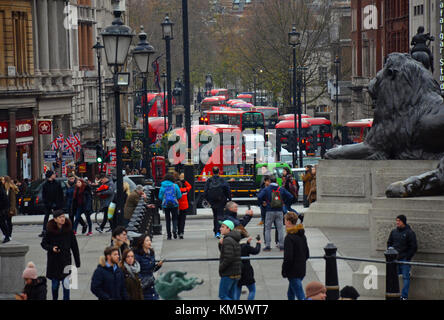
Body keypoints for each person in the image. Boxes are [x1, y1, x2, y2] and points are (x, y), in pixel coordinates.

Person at [40, 209, 81, 300]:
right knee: (55, 286)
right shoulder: (50, 231)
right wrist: (52, 248)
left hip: (66, 261)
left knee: (66, 286)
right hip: (54, 262)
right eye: (60, 217)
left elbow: (74, 247)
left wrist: (77, 262)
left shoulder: (69, 231)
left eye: (63, 216)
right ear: (55, 219)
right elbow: (43, 244)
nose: (63, 219)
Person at [257, 176, 293, 251]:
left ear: (270, 181)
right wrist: (284, 203)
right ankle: (281, 246)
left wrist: (263, 203)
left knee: (267, 229)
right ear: (276, 181)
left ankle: (268, 246)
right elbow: (290, 196)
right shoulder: (281, 189)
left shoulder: (266, 189)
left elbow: (259, 197)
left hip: (269, 210)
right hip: (279, 211)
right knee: (280, 228)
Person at [387, 215, 417, 300]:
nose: (397, 222)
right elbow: (389, 243)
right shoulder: (393, 232)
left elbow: (413, 247)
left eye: (399, 221)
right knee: (393, 277)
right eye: (396, 220)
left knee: (405, 277)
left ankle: (404, 296)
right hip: (394, 259)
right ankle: (393, 294)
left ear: (403, 222)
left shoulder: (410, 233)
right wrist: (390, 253)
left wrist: (408, 257)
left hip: (405, 260)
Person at [282, 212, 309, 300]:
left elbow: (288, 257)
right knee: (290, 293)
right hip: (301, 269)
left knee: (300, 296)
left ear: (289, 222)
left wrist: (284, 270)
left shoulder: (289, 238)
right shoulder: (302, 235)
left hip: (293, 271)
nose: (284, 222)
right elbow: (307, 253)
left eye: (285, 220)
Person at [204, 167, 231, 239]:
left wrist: (208, 200)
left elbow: (205, 191)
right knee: (220, 216)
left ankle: (216, 231)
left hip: (213, 201)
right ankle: (218, 231)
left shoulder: (209, 180)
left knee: (215, 216)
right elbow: (227, 189)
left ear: (212, 172)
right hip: (221, 200)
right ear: (218, 171)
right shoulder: (222, 180)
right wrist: (229, 198)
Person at [234, 228, 261, 300]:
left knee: (237, 290)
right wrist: (258, 242)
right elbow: (256, 251)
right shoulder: (245, 247)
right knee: (252, 290)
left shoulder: (235, 246)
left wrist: (248, 243)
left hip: (237, 270)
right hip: (247, 270)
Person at [134, 234, 164, 300]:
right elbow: (136, 270)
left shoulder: (151, 252)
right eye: (147, 240)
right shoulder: (137, 255)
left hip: (151, 281)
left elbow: (152, 269)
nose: (149, 242)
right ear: (142, 243)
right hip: (144, 282)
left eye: (150, 240)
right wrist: (142, 281)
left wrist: (158, 266)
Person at [218, 220, 242, 300]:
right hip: (236, 272)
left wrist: (221, 268)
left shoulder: (228, 240)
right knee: (232, 296)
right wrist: (220, 244)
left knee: (223, 295)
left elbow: (228, 257)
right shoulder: (234, 238)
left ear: (229, 229)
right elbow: (225, 252)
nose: (220, 229)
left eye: (223, 227)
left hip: (229, 272)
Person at [40, 170, 65, 237]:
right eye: (53, 174)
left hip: (57, 204)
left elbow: (60, 194)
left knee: (58, 217)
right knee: (46, 217)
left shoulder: (57, 183)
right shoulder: (45, 185)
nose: (55, 175)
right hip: (48, 204)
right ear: (50, 175)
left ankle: (60, 230)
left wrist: (60, 203)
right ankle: (44, 230)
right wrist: (48, 203)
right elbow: (44, 195)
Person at [158, 174, 182, 240]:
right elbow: (179, 196)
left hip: (166, 205)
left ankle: (169, 235)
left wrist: (164, 198)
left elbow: (160, 197)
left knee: (167, 220)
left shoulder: (162, 186)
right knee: (175, 218)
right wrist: (174, 198)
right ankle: (174, 230)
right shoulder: (175, 186)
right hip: (174, 204)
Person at [2, 176, 18, 243]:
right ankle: (7, 234)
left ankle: (9, 234)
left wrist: (12, 209)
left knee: (8, 222)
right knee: (5, 221)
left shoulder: (11, 189)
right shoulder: (4, 188)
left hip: (9, 208)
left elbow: (13, 200)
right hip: (5, 208)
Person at [177, 173, 192, 239]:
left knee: (178, 219)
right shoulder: (185, 190)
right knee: (183, 220)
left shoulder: (176, 191)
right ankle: (181, 232)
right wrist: (184, 181)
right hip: (184, 206)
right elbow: (190, 186)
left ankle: (178, 231)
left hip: (177, 207)